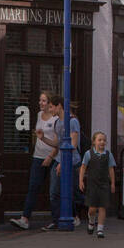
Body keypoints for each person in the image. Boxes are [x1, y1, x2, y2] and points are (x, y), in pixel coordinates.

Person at [11, 93, 57, 230]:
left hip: (53, 158)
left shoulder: (55, 119)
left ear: (50, 103)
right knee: (33, 187)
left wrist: (50, 156)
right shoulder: (38, 115)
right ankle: (25, 219)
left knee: (54, 190)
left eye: (44, 101)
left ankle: (63, 217)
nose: (41, 103)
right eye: (40, 100)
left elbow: (59, 141)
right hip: (38, 156)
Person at [43, 95, 81, 230]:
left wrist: (63, 163)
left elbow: (73, 145)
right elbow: (57, 143)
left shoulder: (72, 122)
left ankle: (75, 215)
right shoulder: (57, 122)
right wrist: (43, 139)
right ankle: (56, 219)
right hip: (60, 159)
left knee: (71, 191)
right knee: (55, 191)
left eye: (51, 107)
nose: (49, 109)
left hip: (72, 161)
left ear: (59, 106)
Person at [78, 131, 116, 237]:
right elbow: (83, 167)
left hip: (104, 184)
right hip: (92, 185)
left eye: (104, 140)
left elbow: (111, 169)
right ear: (94, 142)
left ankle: (100, 229)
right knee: (92, 209)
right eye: (99, 140)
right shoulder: (88, 154)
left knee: (102, 207)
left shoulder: (108, 154)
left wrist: (112, 183)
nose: (102, 142)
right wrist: (80, 181)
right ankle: (91, 221)